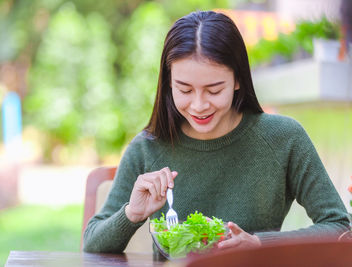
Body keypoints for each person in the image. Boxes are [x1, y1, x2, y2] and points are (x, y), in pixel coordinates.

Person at [83, 10, 349, 253]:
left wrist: (259, 244)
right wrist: (132, 213)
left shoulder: (283, 138)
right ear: (168, 83)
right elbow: (92, 243)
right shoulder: (147, 147)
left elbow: (339, 226)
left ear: (237, 80)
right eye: (185, 90)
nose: (199, 105)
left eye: (214, 90)